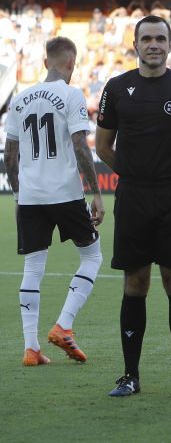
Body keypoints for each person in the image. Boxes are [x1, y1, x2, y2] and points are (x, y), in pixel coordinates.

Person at [96, 15, 171, 397]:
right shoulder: (116, 87)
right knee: (135, 281)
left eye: (161, 38)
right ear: (136, 44)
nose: (154, 44)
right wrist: (131, 173)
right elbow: (103, 145)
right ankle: (130, 375)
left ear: (170, 44)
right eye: (147, 39)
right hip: (133, 196)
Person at [4, 37, 105, 366]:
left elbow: (9, 156)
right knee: (92, 257)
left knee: (33, 268)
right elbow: (79, 145)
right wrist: (96, 192)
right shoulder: (71, 94)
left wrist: (19, 194)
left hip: (31, 196)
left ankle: (31, 348)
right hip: (64, 191)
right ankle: (64, 325)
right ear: (71, 64)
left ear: (46, 61)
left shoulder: (19, 100)